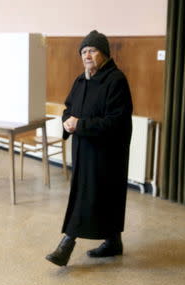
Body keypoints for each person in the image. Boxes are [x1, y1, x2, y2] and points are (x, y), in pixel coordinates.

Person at [45, 30, 133, 266]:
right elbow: (69, 107)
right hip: (84, 151)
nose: (87, 55)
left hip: (107, 153)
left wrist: (81, 124)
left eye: (92, 50)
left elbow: (117, 120)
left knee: (92, 196)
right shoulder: (80, 80)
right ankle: (114, 242)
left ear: (104, 54)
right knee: (102, 197)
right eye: (84, 51)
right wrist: (66, 120)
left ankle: (66, 244)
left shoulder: (116, 80)